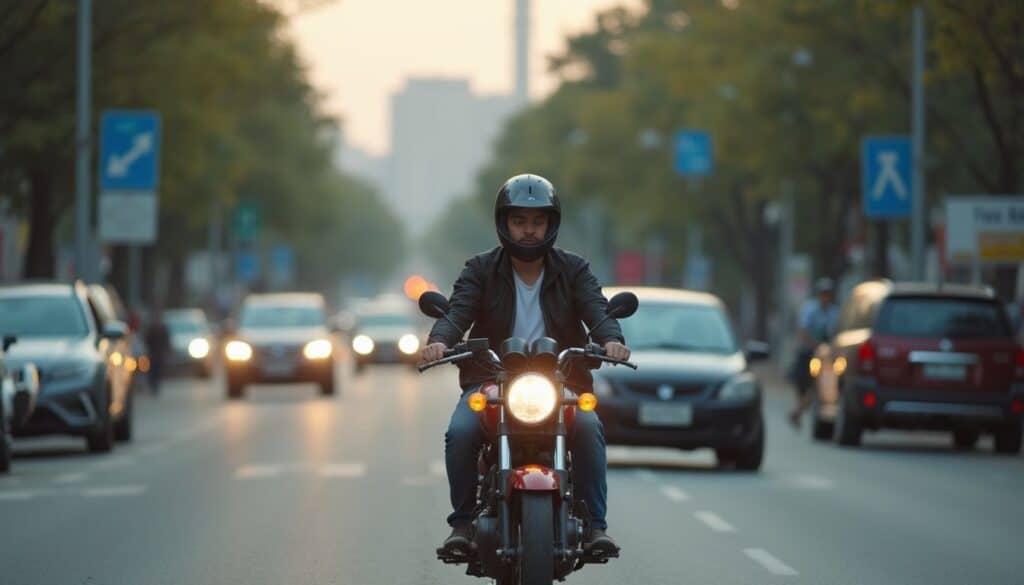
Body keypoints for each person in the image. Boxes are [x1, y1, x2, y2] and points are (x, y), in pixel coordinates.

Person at [421, 174, 630, 556]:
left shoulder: (574, 270)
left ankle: (596, 526)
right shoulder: (480, 269)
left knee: (587, 425)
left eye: (538, 222)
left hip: (561, 379)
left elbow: (597, 312)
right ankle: (463, 524)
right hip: (492, 378)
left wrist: (611, 341)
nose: (529, 231)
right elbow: (457, 312)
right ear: (505, 223)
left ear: (551, 224)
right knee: (461, 431)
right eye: (520, 221)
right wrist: (439, 341)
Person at [788, 277, 839, 427]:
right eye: (823, 294)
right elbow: (802, 331)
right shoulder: (810, 309)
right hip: (808, 351)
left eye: (828, 294)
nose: (826, 297)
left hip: (825, 356)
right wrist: (814, 345)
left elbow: (836, 333)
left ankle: (799, 410)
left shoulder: (834, 313)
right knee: (800, 380)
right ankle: (800, 408)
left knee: (818, 384)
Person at [144, 305, 171, 396]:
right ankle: (152, 385)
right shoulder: (151, 328)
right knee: (152, 370)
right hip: (152, 352)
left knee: (158, 369)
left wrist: (166, 350)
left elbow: (166, 340)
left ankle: (156, 386)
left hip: (160, 353)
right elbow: (147, 339)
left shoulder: (163, 328)